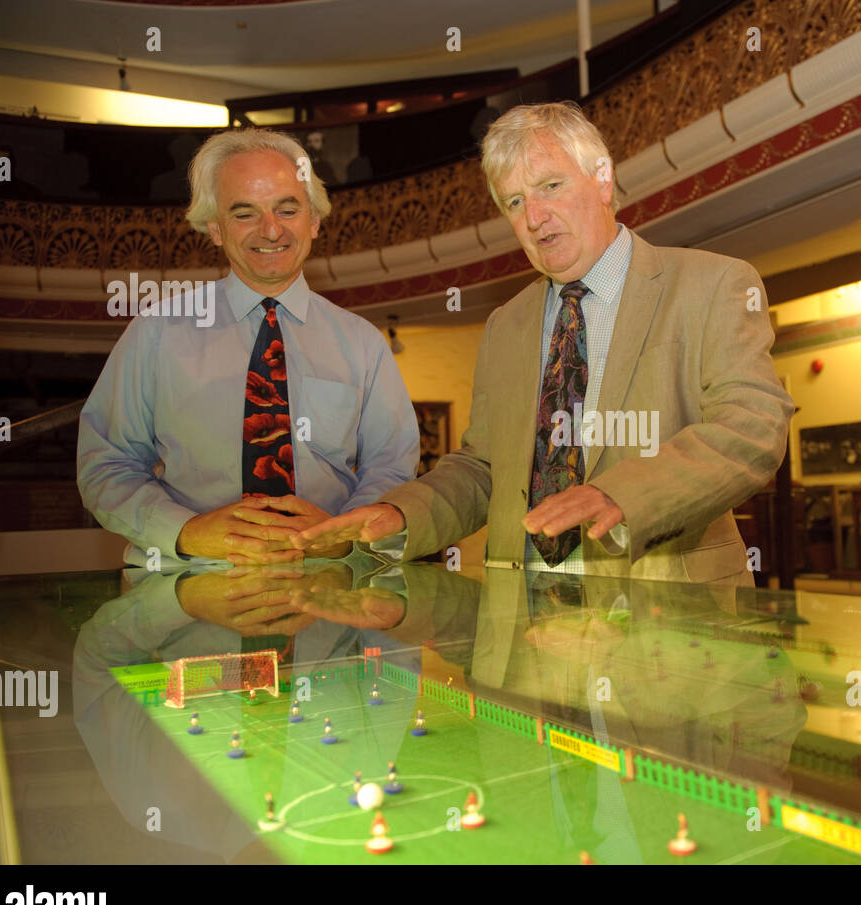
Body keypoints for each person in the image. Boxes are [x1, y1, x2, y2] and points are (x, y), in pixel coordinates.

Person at [293, 102, 791, 584]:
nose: (533, 217)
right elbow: (484, 468)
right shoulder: (505, 325)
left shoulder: (714, 283)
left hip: (667, 626)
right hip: (521, 622)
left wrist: (623, 496)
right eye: (514, 202)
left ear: (601, 178)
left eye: (550, 186)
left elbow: (751, 426)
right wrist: (399, 515)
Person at [78, 129, 419, 565]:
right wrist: (186, 532)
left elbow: (391, 469)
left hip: (328, 593)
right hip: (189, 597)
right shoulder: (155, 332)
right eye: (244, 213)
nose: (271, 230)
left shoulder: (364, 344)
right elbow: (106, 464)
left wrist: (342, 533)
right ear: (214, 228)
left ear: (314, 220)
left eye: (287, 209)